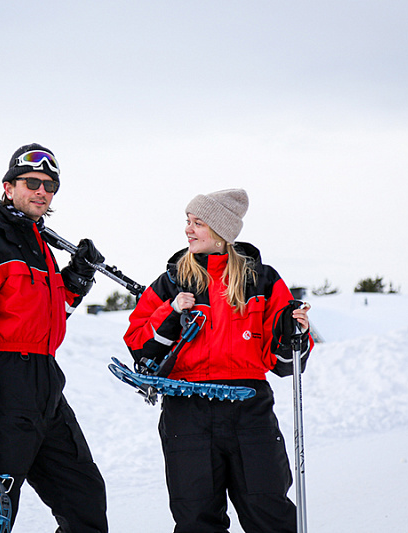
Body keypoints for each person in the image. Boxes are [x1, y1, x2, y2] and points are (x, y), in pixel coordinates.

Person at [123, 188, 312, 533]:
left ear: (221, 230)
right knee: (196, 518)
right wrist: (171, 312)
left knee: (268, 510)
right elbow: (139, 345)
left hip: (249, 409)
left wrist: (293, 333)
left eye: (198, 223)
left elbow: (286, 364)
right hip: (187, 410)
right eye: (188, 221)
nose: (188, 229)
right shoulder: (173, 281)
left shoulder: (262, 279)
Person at [0, 143, 108, 532]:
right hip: (5, 383)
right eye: (32, 182)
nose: (42, 192)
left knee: (84, 497)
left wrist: (75, 280)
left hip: (46, 383)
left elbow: (46, 314)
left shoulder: (38, 243)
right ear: (8, 187)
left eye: (50, 186)